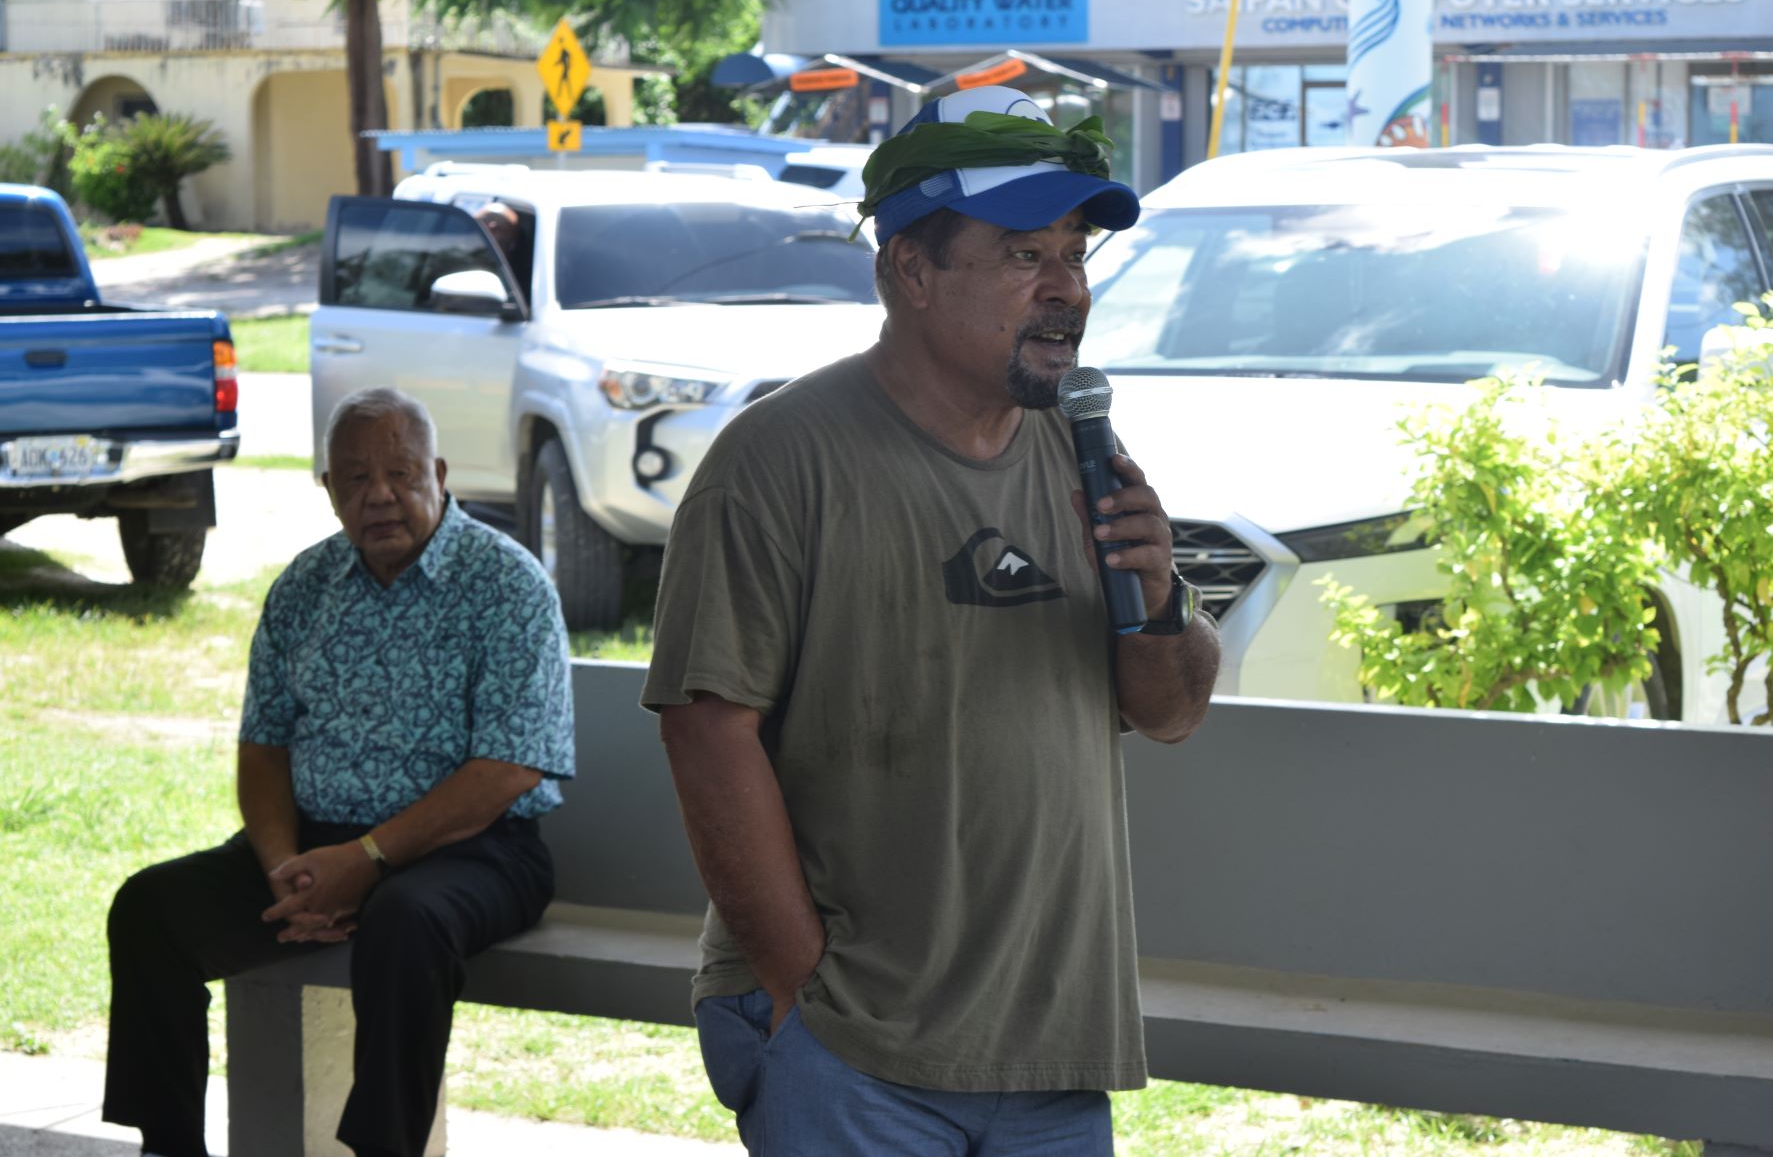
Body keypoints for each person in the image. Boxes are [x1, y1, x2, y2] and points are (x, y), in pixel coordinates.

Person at [643, 85, 1222, 1155]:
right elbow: (705, 731)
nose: (1066, 293)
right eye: (1022, 257)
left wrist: (1158, 594)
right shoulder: (777, 462)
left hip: (1054, 1044)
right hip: (856, 1043)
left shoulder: (1083, 453)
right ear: (910, 269)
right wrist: (798, 990)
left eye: (1075, 256)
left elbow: (1171, 712)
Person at [103, 387, 574, 1157]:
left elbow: (507, 770)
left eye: (400, 472)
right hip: (317, 846)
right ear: (327, 490)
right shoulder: (304, 586)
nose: (379, 494)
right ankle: (169, 1145)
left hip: (479, 850)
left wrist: (366, 861)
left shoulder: (506, 584)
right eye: (354, 478)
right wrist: (288, 869)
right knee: (152, 909)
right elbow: (264, 748)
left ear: (441, 473)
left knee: (406, 921)